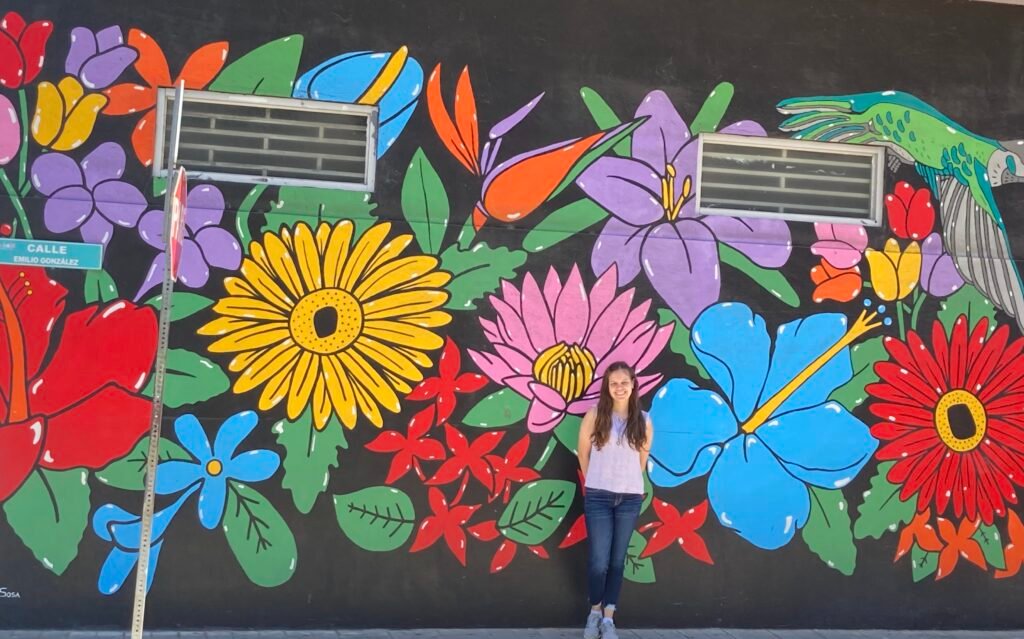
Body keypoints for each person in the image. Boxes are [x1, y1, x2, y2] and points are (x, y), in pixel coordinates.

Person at [576, 361, 653, 639]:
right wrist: (595, 480)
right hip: (598, 496)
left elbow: (641, 459)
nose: (619, 388)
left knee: (618, 561)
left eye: (624, 382)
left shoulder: (644, 420)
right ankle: (595, 612)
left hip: (629, 498)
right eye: (614, 383)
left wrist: (626, 482)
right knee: (599, 561)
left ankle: (609, 618)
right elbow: (582, 452)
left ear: (633, 385)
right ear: (607, 388)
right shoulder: (595, 415)